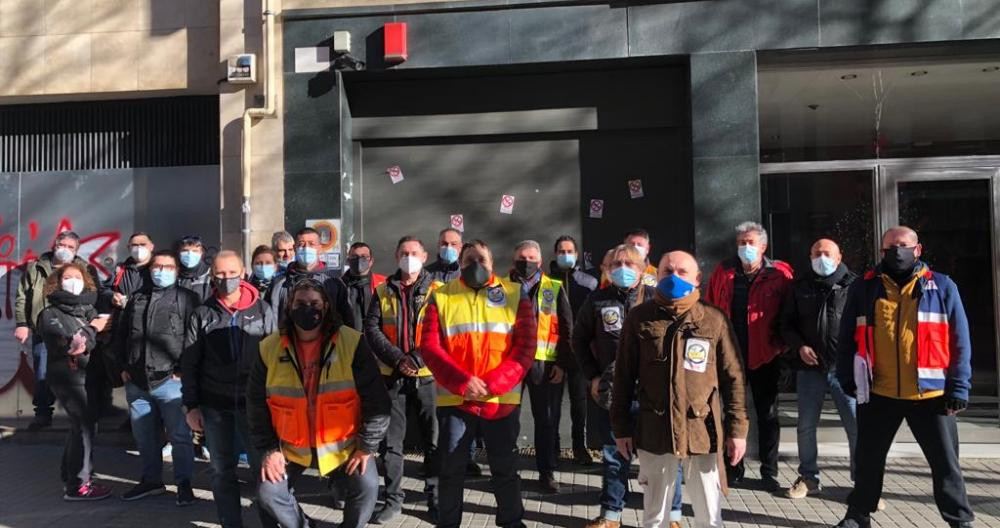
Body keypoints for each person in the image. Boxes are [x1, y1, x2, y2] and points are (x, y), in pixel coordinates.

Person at [833, 227, 974, 528]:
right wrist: (846, 375)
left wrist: (959, 386)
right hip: (879, 392)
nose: (897, 252)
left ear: (918, 249)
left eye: (903, 246)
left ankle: (960, 520)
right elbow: (847, 338)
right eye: (890, 247)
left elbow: (960, 340)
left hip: (931, 395)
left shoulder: (943, 287)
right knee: (868, 461)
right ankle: (858, 516)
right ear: (881, 251)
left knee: (946, 465)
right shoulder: (864, 287)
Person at [613, 250, 748, 528]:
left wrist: (738, 431)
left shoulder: (714, 319)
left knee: (709, 516)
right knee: (654, 517)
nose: (674, 277)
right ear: (656, 275)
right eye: (667, 271)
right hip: (654, 429)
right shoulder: (639, 318)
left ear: (697, 278)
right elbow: (623, 377)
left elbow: (733, 378)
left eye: (682, 272)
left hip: (701, 431)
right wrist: (622, 428)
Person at [248, 279, 391, 528]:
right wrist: (270, 451)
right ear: (289, 306)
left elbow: (377, 401)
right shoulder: (268, 348)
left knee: (367, 487)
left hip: (344, 447)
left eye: (314, 303)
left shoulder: (352, 342)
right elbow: (256, 405)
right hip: (290, 448)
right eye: (300, 303)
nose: (308, 309)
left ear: (325, 306)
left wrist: (366, 446)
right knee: (268, 494)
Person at [420, 239, 537, 528]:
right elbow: (430, 348)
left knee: (505, 469)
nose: (476, 265)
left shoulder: (514, 293)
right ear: (460, 264)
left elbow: (525, 348)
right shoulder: (441, 296)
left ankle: (512, 522)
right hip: (456, 401)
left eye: (481, 260)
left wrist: (493, 384)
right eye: (469, 259)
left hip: (500, 401)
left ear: (492, 263)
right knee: (451, 471)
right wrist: (462, 382)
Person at [182, 250, 277, 528]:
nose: (227, 279)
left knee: (265, 471)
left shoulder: (263, 310)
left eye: (232, 273)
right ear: (213, 276)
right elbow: (190, 363)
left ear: (243, 273)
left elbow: (276, 359)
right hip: (215, 407)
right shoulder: (202, 314)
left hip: (256, 407)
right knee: (222, 471)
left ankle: (269, 523)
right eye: (220, 274)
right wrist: (191, 405)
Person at [704, 221, 793, 490]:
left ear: (763, 246)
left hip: (766, 356)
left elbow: (791, 313)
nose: (745, 247)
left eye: (751, 243)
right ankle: (733, 469)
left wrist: (783, 348)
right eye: (741, 243)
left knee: (768, 415)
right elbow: (709, 307)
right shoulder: (724, 271)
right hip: (731, 356)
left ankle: (769, 471)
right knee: (732, 414)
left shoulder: (780, 273)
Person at [574, 244, 657, 528]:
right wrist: (592, 376)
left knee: (660, 459)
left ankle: (668, 516)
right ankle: (611, 516)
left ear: (642, 268)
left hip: (652, 394)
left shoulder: (655, 298)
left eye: (629, 263)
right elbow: (579, 340)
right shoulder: (597, 299)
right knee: (613, 457)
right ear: (607, 270)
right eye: (616, 263)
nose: (622, 268)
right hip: (612, 393)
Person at [363, 236, 442, 523]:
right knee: (390, 444)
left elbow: (442, 330)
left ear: (424, 255)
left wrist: (417, 359)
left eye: (414, 253)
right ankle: (393, 499)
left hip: (428, 376)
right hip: (392, 376)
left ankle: (434, 497)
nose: (409, 257)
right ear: (396, 256)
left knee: (433, 441)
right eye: (404, 253)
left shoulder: (438, 290)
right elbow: (371, 328)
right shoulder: (382, 290)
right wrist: (398, 359)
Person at [113, 250, 198, 505]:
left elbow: (194, 339)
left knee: (180, 436)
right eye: (157, 266)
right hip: (137, 382)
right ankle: (151, 481)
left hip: (170, 382)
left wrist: (183, 370)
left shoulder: (187, 298)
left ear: (177, 270)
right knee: (144, 436)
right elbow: (122, 335)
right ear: (150, 270)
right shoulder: (137, 298)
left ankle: (184, 484)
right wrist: (122, 367)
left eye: (168, 266)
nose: (161, 271)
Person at [778, 239, 859, 500]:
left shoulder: (854, 286)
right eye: (816, 253)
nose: (821, 258)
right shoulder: (799, 287)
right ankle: (808, 478)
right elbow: (786, 324)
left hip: (845, 369)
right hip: (809, 369)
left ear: (839, 256)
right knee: (805, 426)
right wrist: (799, 346)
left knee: (856, 426)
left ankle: (863, 482)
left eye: (826, 253)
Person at [36, 261, 112, 500]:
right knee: (85, 428)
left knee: (80, 427)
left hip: (89, 378)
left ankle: (70, 475)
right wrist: (95, 328)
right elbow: (72, 345)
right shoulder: (49, 314)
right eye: (67, 277)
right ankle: (78, 484)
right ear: (56, 283)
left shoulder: (87, 309)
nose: (73, 281)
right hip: (67, 379)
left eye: (77, 277)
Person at [14, 231, 99, 431]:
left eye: (71, 247)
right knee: (43, 372)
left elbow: (94, 295)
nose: (66, 250)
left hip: (76, 330)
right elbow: (22, 297)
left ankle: (82, 414)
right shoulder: (36, 267)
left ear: (77, 250)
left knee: (80, 374)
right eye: (63, 245)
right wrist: (22, 323)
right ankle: (43, 413)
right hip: (43, 331)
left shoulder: (85, 268)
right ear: (55, 245)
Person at [508, 240, 575, 493]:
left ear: (541, 261)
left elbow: (567, 329)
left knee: (545, 422)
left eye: (532, 258)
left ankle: (546, 474)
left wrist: (562, 363)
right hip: (510, 364)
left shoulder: (554, 287)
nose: (527, 262)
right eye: (522, 257)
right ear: (514, 260)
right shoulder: (500, 287)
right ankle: (506, 472)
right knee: (506, 422)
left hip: (544, 365)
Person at [549, 235, 597, 465]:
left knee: (579, 403)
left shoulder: (589, 283)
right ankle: (554, 446)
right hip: (554, 352)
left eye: (569, 251)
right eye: (561, 251)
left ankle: (580, 447)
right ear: (555, 254)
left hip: (580, 353)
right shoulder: (547, 282)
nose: (565, 254)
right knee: (553, 404)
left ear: (576, 254)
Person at [266, 227, 354, 328]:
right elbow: (270, 323)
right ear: (295, 249)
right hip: (287, 342)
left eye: (311, 244)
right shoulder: (280, 283)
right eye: (301, 244)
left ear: (320, 248)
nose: (306, 248)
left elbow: (347, 321)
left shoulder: (334, 282)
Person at [343, 242, 387, 331]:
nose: (359, 260)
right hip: (347, 340)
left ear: (371, 261)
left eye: (364, 256)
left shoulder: (384, 283)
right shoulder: (338, 285)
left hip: (377, 339)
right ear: (348, 261)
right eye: (354, 257)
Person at [176, 235, 214, 303]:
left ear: (201, 253)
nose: (190, 254)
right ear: (179, 253)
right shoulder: (172, 274)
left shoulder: (210, 275)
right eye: (185, 250)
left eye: (195, 251)